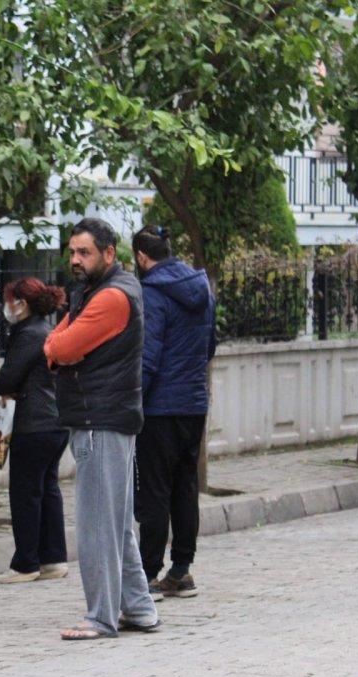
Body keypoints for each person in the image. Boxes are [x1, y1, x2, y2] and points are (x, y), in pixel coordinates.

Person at [43, 217, 159, 641]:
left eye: (84, 252)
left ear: (109, 254)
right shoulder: (93, 292)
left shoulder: (111, 297)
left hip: (100, 419)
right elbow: (59, 341)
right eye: (72, 251)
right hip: (105, 416)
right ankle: (140, 609)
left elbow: (61, 345)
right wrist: (59, 346)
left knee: (97, 523)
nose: (75, 259)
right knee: (116, 521)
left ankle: (101, 616)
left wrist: (59, 348)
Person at [132, 225, 216, 600]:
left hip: (161, 407)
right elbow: (210, 345)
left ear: (141, 257)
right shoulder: (202, 287)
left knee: (154, 491)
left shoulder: (152, 292)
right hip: (194, 404)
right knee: (185, 487)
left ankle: (147, 573)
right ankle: (181, 570)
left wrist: (135, 402)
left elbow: (148, 359)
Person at [0, 277, 70, 584]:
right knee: (48, 490)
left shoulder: (29, 334)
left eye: (10, 299)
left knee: (25, 493)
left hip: (33, 424)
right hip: (54, 422)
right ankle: (53, 558)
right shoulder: (46, 329)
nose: (6, 306)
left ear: (21, 304)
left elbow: (5, 380)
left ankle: (26, 563)